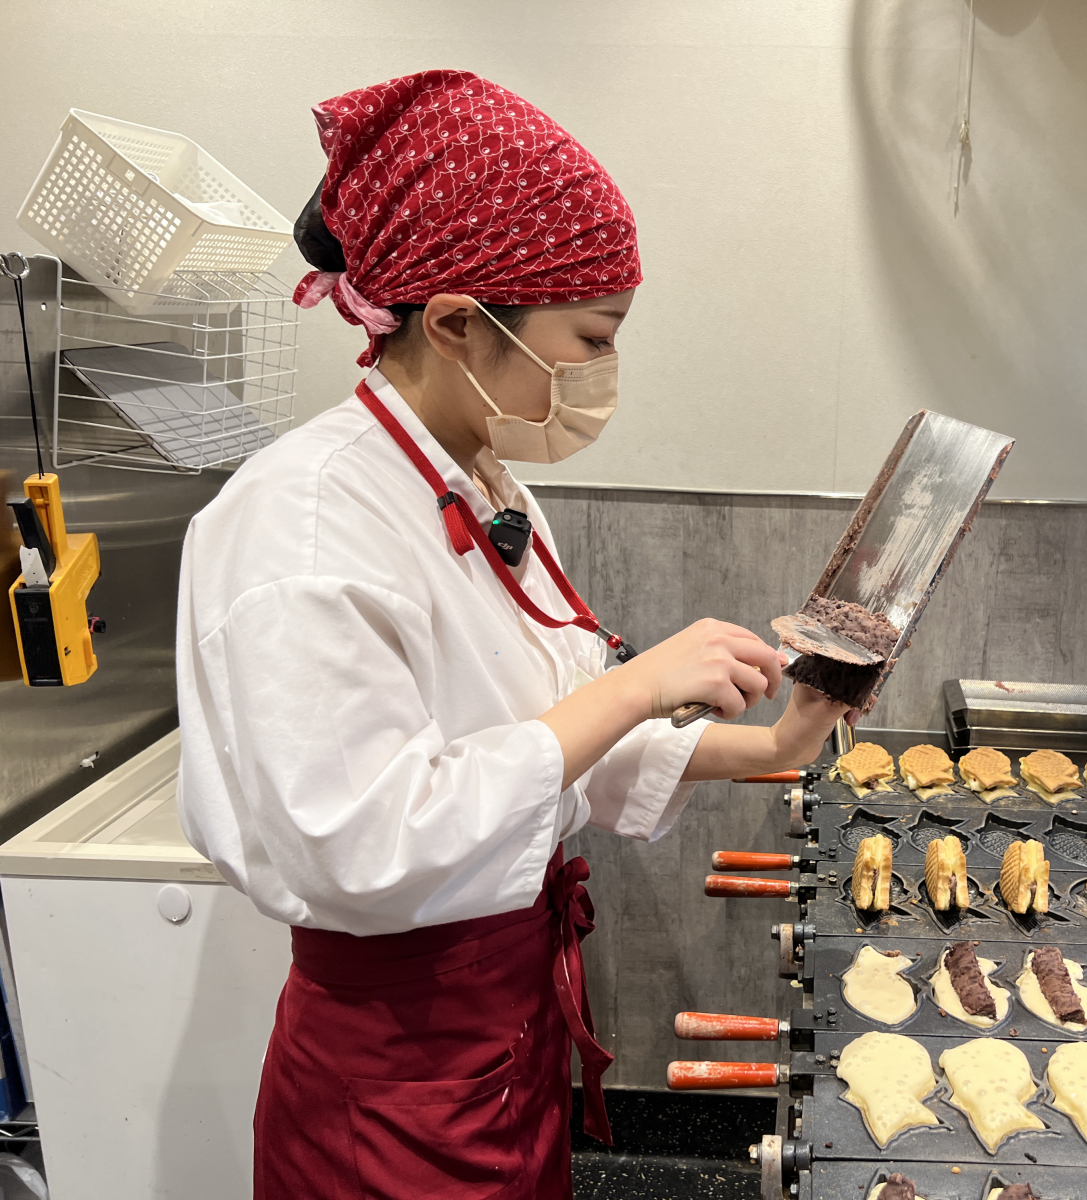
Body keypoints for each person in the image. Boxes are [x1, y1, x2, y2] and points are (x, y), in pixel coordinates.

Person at [175, 71, 852, 1198]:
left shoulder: (481, 482)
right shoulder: (298, 525)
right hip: (393, 1076)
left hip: (505, 1034)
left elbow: (548, 742)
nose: (600, 375)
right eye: (589, 338)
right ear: (453, 323)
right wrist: (635, 689)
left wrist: (776, 744)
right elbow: (359, 843)